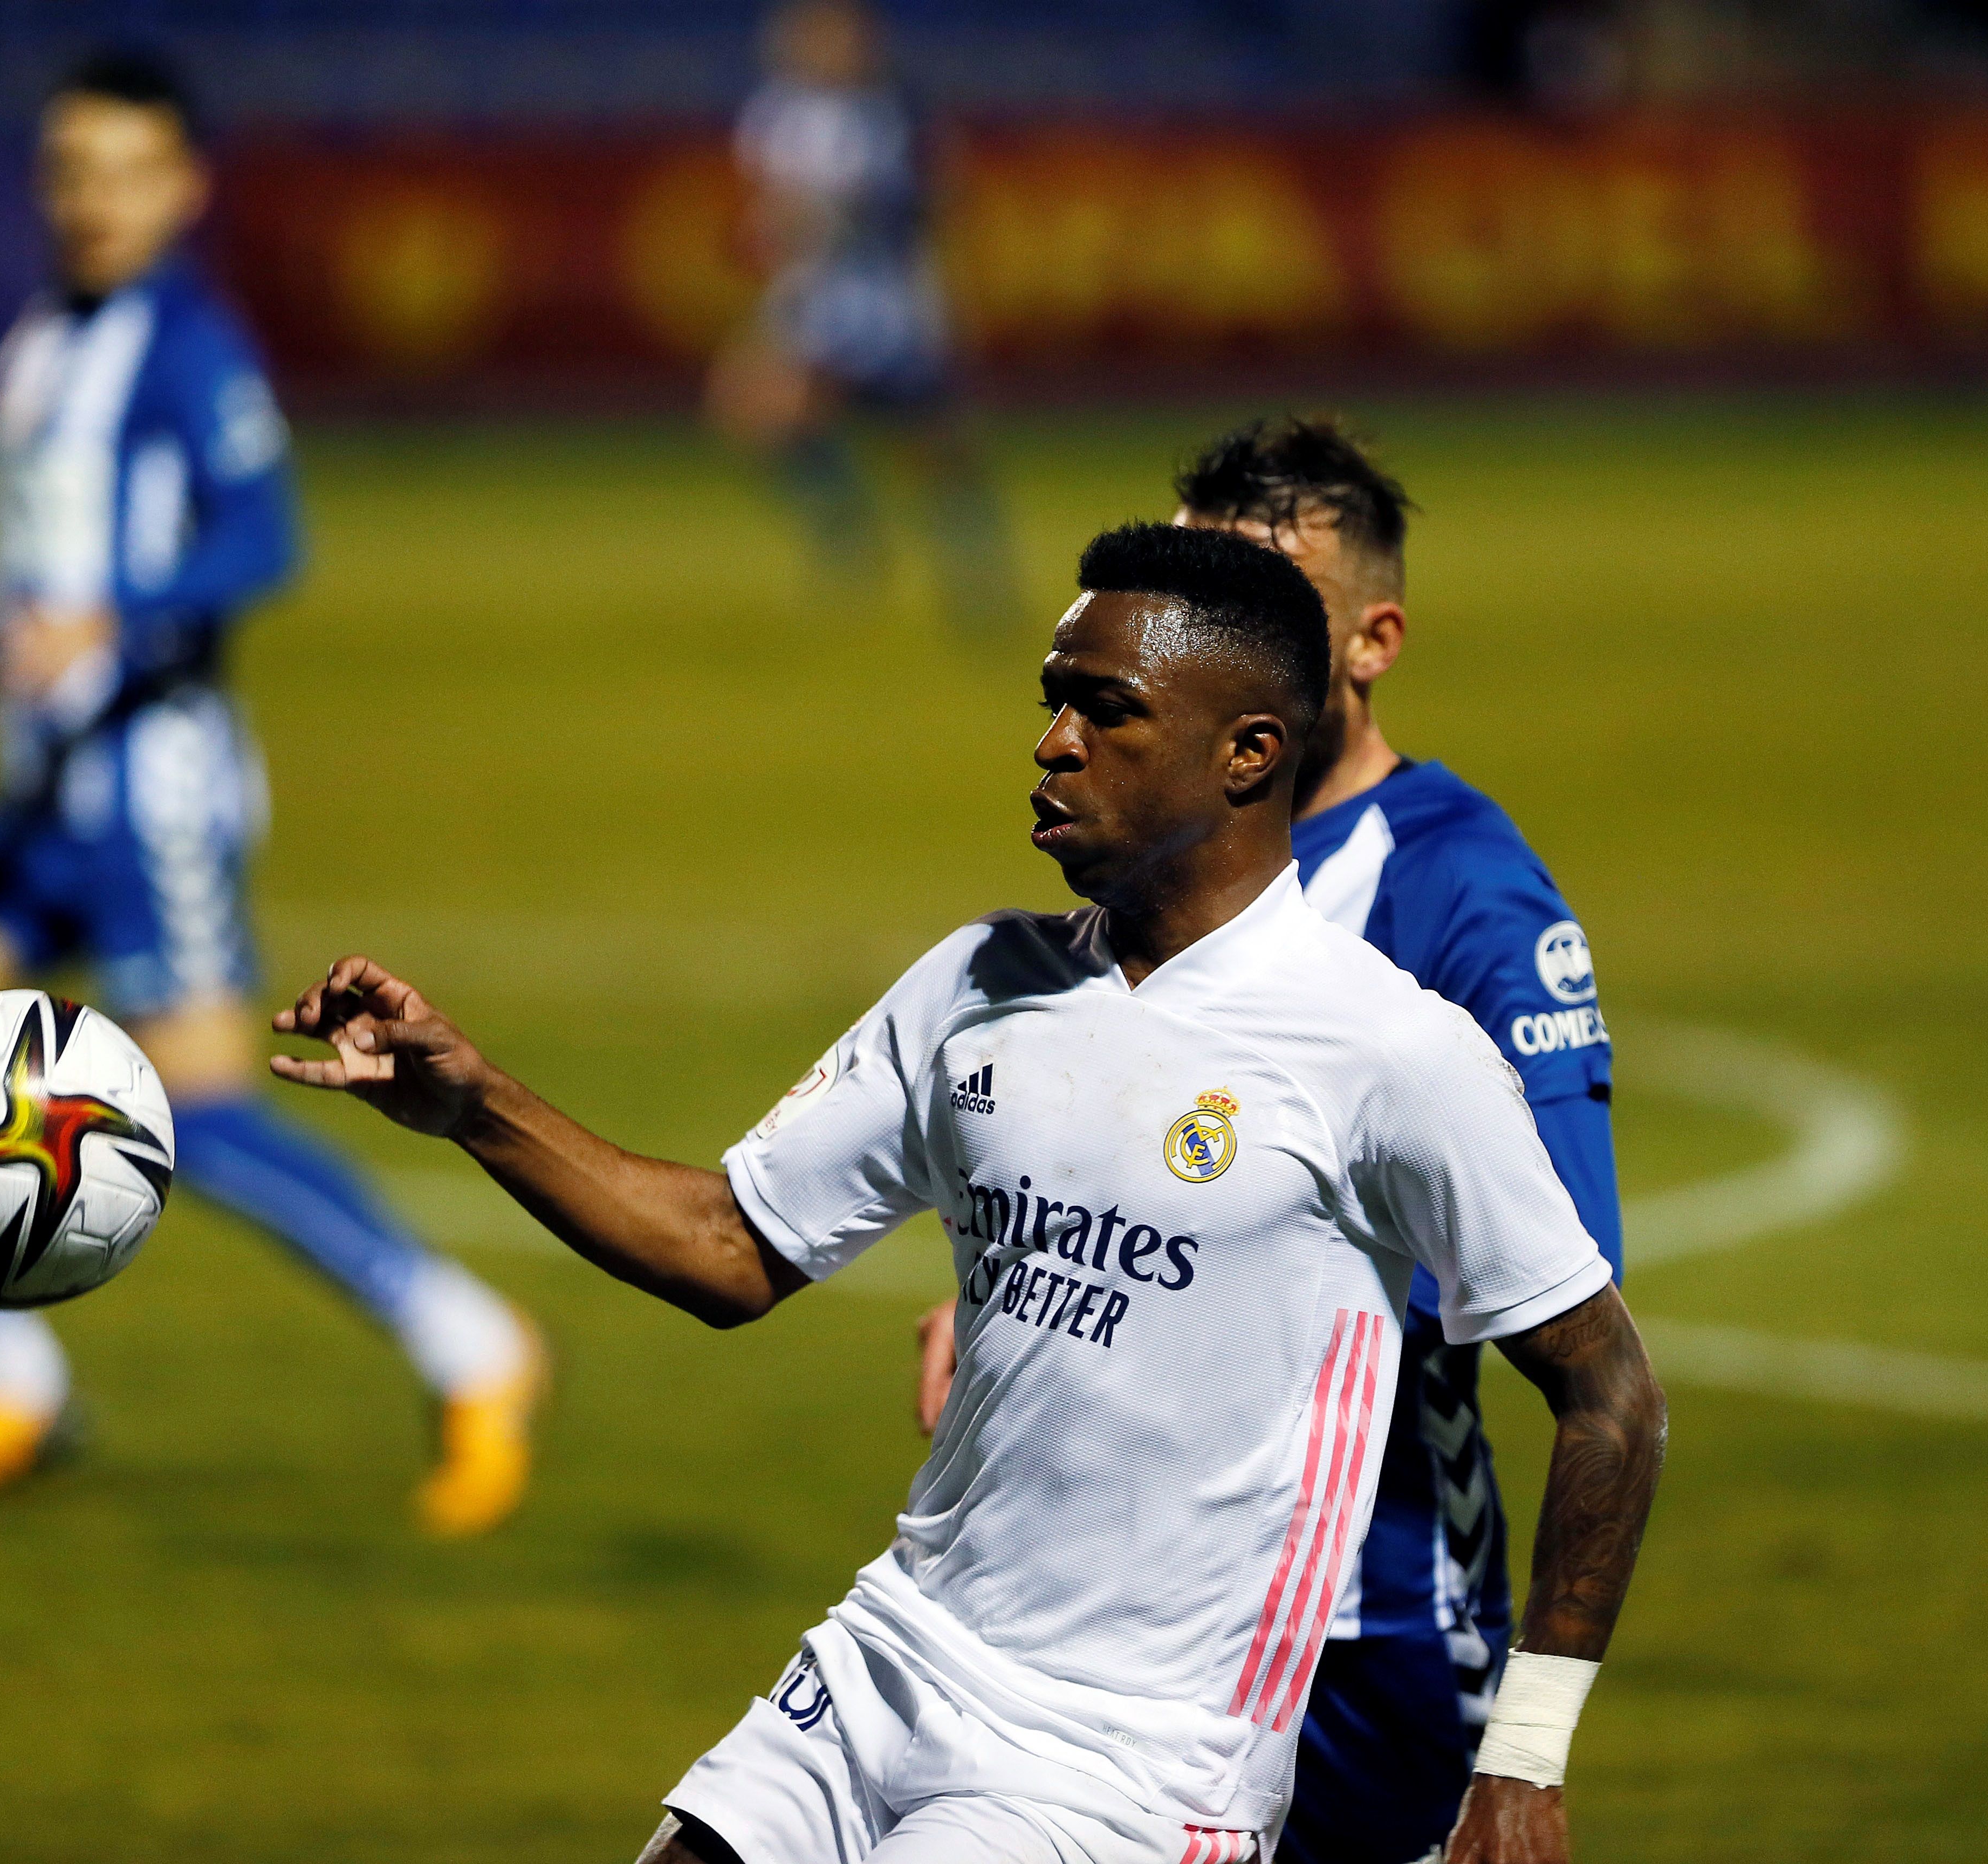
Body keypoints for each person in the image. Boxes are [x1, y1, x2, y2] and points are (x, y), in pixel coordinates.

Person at [272, 522, 1667, 1863]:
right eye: (1052, 699)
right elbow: (730, 1248)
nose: (1052, 743)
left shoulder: (1385, 1051)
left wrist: (1523, 1760)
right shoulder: (979, 982)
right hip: (892, 1654)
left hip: (1126, 1762)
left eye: (1104, 710)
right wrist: (475, 1108)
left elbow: (1607, 1389)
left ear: (1248, 754)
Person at [0, 52, 541, 1537]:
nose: (93, 199)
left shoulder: (188, 347)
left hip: (154, 805)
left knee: (191, 1112)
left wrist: (119, 618)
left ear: (183, 188)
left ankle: (473, 1344)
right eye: (72, 169)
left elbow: (264, 537)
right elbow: (36, 558)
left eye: (127, 171)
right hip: (44, 796)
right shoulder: (44, 341)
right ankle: (9, 1379)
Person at [909, 419, 1623, 1864]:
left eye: (1262, 603)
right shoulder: (1180, 848)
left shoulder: (1466, 901)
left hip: (1362, 1626)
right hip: (1114, 1614)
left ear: (1366, 643)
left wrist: (1531, 1750)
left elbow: (1563, 1278)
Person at [707, 0, 1017, 630]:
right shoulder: (776, 114)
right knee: (753, 408)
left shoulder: (893, 114)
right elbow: (775, 206)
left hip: (884, 305)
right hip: (813, 299)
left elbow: (922, 203)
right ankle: (849, 536)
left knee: (936, 450)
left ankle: (978, 583)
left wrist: (825, 222)